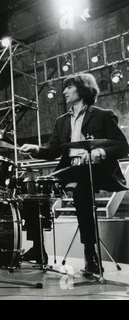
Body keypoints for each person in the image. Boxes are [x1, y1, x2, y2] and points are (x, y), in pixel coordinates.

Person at [20, 73, 129, 275]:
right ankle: (37, 248)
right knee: (31, 192)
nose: (64, 91)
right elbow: (53, 151)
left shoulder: (103, 115)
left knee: (81, 193)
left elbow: (123, 147)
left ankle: (90, 254)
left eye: (69, 87)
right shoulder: (61, 121)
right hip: (70, 168)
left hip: (95, 170)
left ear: (83, 88)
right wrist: (36, 149)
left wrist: (101, 152)